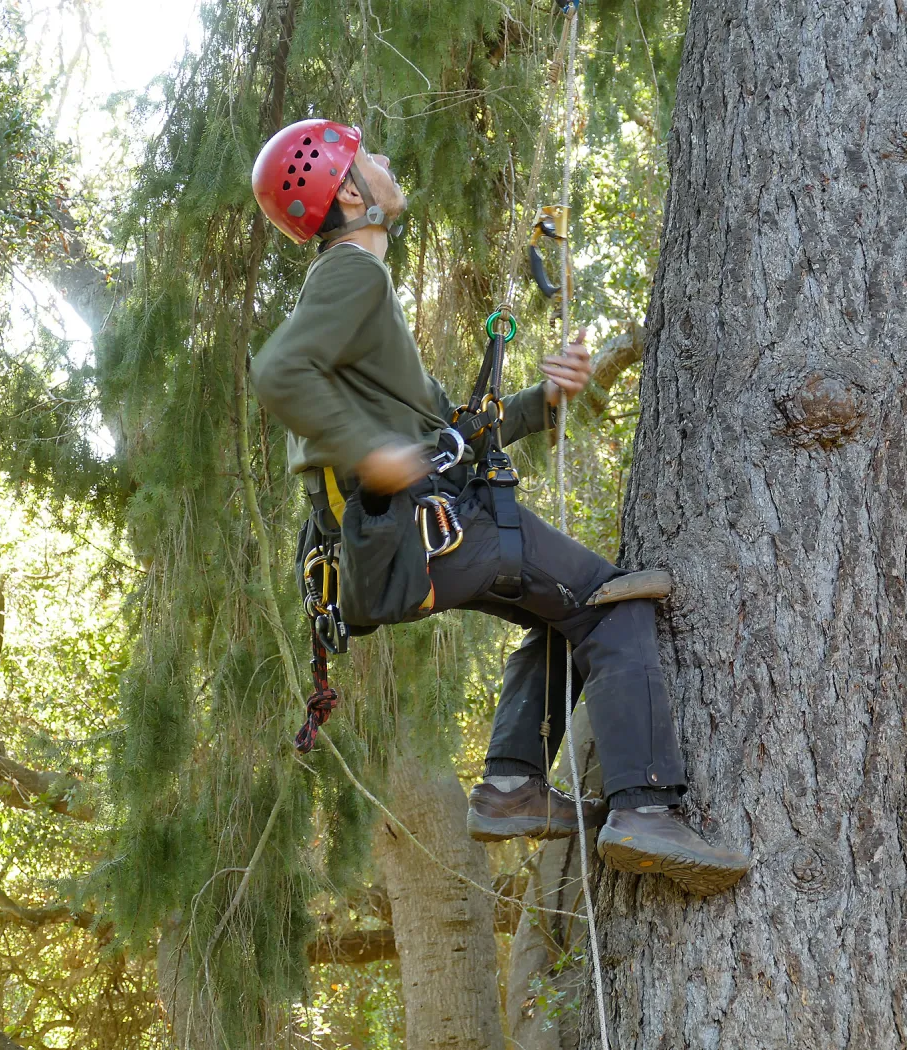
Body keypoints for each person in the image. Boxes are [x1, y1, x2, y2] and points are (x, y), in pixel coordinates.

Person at [249, 119, 749, 896]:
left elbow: (451, 435)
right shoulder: (353, 274)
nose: (384, 160)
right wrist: (368, 450)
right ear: (351, 191)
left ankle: (512, 787)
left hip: (408, 539)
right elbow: (279, 371)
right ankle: (647, 810)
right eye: (368, 157)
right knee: (611, 606)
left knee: (564, 612)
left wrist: (543, 398)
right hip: (427, 529)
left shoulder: (356, 296)